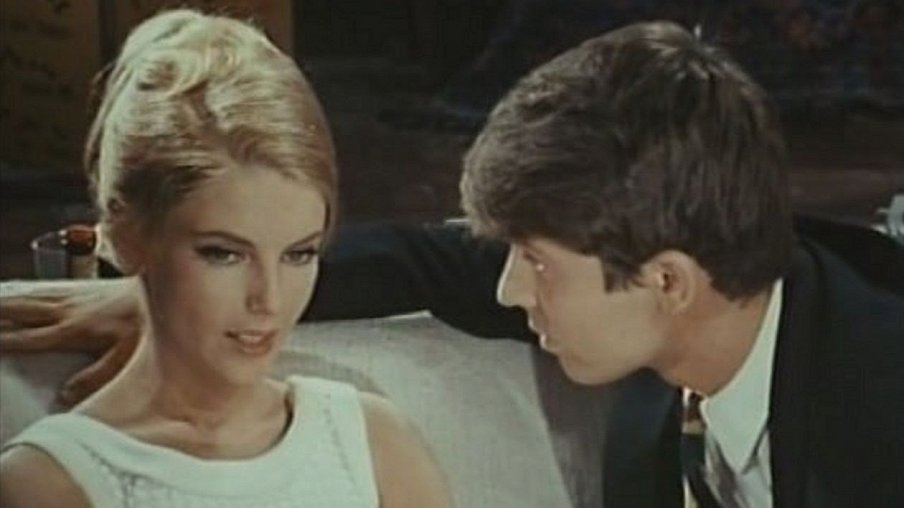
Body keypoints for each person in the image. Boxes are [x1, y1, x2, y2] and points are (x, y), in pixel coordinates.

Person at [2, 19, 903, 508]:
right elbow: (432, 262)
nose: (507, 288)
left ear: (667, 281)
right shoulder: (652, 312)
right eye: (225, 253)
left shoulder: (879, 398)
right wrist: (171, 295)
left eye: (533, 262)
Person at [0, 9, 452, 508]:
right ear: (127, 237)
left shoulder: (374, 443)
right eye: (224, 254)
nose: (269, 300)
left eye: (299, 254)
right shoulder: (49, 481)